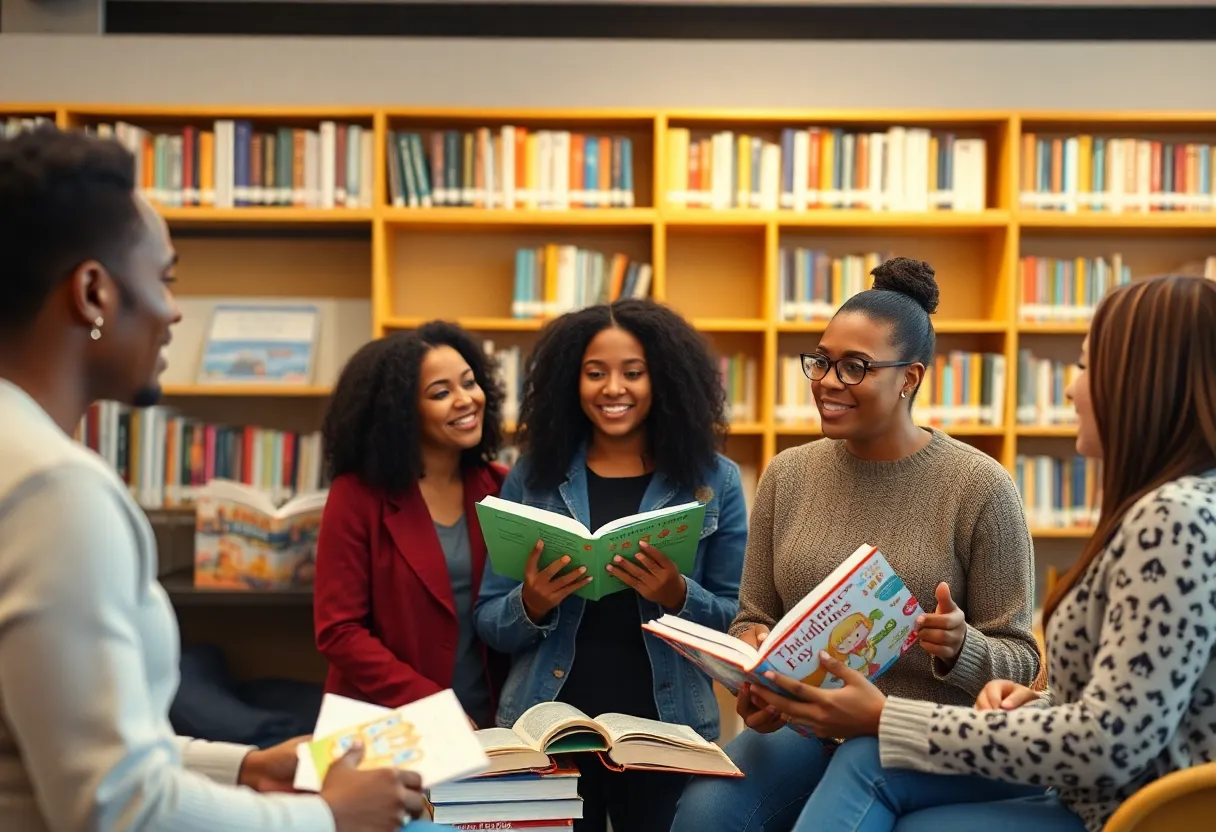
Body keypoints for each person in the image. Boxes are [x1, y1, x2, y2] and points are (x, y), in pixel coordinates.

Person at [0, 125, 449, 831]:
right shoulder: (56, 491)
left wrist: (241, 766)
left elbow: (60, 738)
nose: (174, 310)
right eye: (165, 278)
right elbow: (119, 808)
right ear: (93, 292)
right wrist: (330, 817)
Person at [773, 273, 1216, 832]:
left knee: (885, 784)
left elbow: (1111, 742)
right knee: (867, 767)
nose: (1070, 390)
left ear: (1144, 383)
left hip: (1126, 812)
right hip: (1093, 790)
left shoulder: (1173, 518)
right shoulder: (1174, 507)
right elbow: (1137, 703)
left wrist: (889, 717)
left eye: (1085, 366)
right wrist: (1040, 704)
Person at [670, 257, 1041, 832]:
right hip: (806, 724)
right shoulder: (787, 475)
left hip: (916, 729)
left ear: (909, 378)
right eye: (820, 361)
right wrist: (754, 664)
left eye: (854, 368)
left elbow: (1022, 660)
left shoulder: (980, 487)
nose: (826, 382)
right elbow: (753, 615)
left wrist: (959, 647)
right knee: (705, 812)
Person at [473, 299, 748, 832]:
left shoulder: (716, 479)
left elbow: (738, 624)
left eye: (633, 373)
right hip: (548, 729)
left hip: (666, 733)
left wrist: (676, 595)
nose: (613, 388)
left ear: (664, 379)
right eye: (595, 373)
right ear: (570, 382)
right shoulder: (532, 476)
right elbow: (490, 622)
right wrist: (531, 603)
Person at [314, 323, 508, 727]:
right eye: (440, 393)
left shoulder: (503, 486)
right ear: (400, 413)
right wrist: (432, 705)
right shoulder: (356, 496)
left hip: (492, 723)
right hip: (388, 723)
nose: (465, 400)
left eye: (469, 383)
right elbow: (339, 631)